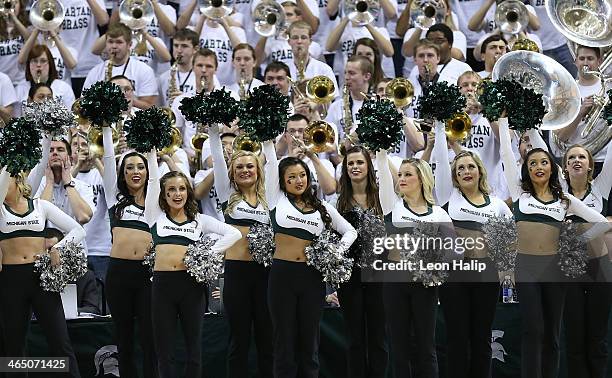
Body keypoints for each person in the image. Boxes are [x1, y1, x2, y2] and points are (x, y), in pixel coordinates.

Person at [497, 117, 610, 378]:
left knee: (552, 334)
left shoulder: (564, 199)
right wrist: (503, 121)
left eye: (544, 162)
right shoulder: (520, 193)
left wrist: (575, 241)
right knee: (533, 329)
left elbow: (602, 223)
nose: (538, 166)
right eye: (533, 163)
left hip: (554, 269)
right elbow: (505, 152)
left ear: (552, 169)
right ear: (527, 169)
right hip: (525, 268)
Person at [263, 138, 357, 377]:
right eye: (291, 177)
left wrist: (335, 252)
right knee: (283, 341)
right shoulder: (277, 200)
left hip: (312, 277)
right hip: (282, 275)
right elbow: (272, 161)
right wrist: (268, 138)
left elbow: (350, 231)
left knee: (309, 342)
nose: (298, 180)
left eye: (302, 175)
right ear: (282, 181)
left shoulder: (323, 208)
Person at [145, 148, 241, 378]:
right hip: (163, 286)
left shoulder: (200, 221)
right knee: (165, 349)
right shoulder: (154, 216)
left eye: (181, 189)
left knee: (193, 349)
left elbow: (234, 234)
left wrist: (208, 253)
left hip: (191, 287)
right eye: (171, 190)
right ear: (163, 195)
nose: (177, 194)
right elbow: (152, 180)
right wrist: (151, 154)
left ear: (188, 192)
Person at [432, 122, 512, 378]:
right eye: (460, 169)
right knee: (457, 339)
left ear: (480, 171)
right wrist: (439, 125)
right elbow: (443, 160)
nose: (466, 171)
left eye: (471, 167)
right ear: (454, 176)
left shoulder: (497, 204)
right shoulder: (448, 196)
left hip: (486, 275)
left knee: (481, 338)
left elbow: (511, 238)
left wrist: (505, 268)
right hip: (455, 274)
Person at [0, 166, 86, 378]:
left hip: (41, 277)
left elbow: (78, 230)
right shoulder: (0, 209)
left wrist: (57, 248)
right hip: (10, 280)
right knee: (14, 346)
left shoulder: (40, 205)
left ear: (18, 181)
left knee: (60, 341)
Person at [375, 147, 452, 378]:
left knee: (426, 347)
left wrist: (436, 266)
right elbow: (381, 163)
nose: (401, 179)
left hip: (425, 285)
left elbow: (454, 251)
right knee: (399, 348)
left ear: (422, 178)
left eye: (408, 174)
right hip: (395, 282)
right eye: (400, 175)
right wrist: (380, 148)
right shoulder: (392, 205)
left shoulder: (438, 213)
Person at [209, 124, 273, 377]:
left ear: (258, 170)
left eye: (250, 166)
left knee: (267, 340)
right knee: (239, 340)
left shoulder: (270, 199)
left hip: (266, 275)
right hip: (237, 274)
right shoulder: (228, 195)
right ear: (232, 174)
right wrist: (214, 132)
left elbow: (274, 160)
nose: (245, 170)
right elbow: (216, 159)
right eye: (239, 167)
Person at [101, 126, 157, 378]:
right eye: (129, 168)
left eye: (140, 167)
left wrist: (153, 151)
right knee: (123, 337)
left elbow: (155, 171)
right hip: (119, 274)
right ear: (122, 175)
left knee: (149, 336)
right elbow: (108, 157)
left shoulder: (157, 200)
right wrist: (105, 127)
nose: (135, 171)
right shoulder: (115, 197)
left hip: (147, 274)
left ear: (148, 172)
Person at [336, 146, 388, 378]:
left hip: (379, 275)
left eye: (359, 162)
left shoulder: (382, 197)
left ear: (369, 166)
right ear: (345, 169)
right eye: (350, 164)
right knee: (354, 339)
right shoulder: (339, 201)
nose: (355, 167)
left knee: (378, 338)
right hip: (350, 277)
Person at [561, 142, 612, 378]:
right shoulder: (558, 191)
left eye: (582, 156)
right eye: (571, 157)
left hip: (599, 269)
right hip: (569, 271)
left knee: (597, 337)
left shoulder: (601, 187)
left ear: (590, 164)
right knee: (574, 337)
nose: (576, 160)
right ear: (565, 166)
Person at [83, 23, 158, 109]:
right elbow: (84, 102)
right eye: (110, 42)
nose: (114, 46)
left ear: (129, 45)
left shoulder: (144, 70)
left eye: (119, 42)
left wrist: (125, 99)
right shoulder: (95, 71)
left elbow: (150, 106)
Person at [14, 44, 76, 116]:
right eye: (34, 61)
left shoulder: (64, 88)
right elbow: (16, 119)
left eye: (43, 61)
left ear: (50, 64)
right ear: (29, 65)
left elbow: (71, 117)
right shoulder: (19, 89)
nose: (39, 65)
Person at [159, 28, 199, 107]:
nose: (179, 50)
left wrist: (185, 101)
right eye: (176, 45)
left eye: (184, 46)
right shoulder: (163, 78)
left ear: (195, 49)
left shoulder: (202, 76)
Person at [0, 0, 30, 85]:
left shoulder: (27, 26)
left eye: (15, 2)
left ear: (21, 6)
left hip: (21, 82)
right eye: (8, 2)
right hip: (2, 82)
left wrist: (14, 18)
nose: (11, 5)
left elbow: (31, 40)